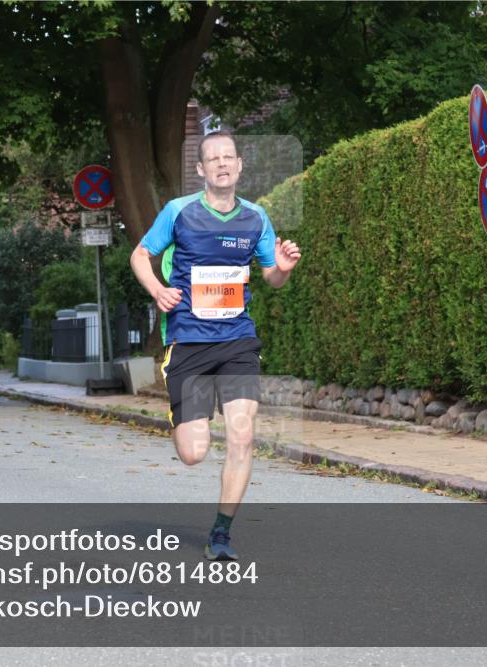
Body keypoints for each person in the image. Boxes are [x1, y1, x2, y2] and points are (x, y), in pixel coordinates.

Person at [130, 131, 302, 560]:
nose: (222, 164)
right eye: (214, 158)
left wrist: (281, 269)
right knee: (193, 452)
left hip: (237, 340)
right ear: (201, 169)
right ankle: (186, 420)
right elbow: (139, 255)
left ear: (240, 166)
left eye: (229, 157)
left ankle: (221, 533)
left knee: (242, 435)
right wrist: (157, 290)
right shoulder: (179, 212)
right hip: (187, 342)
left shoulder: (257, 218)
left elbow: (271, 278)